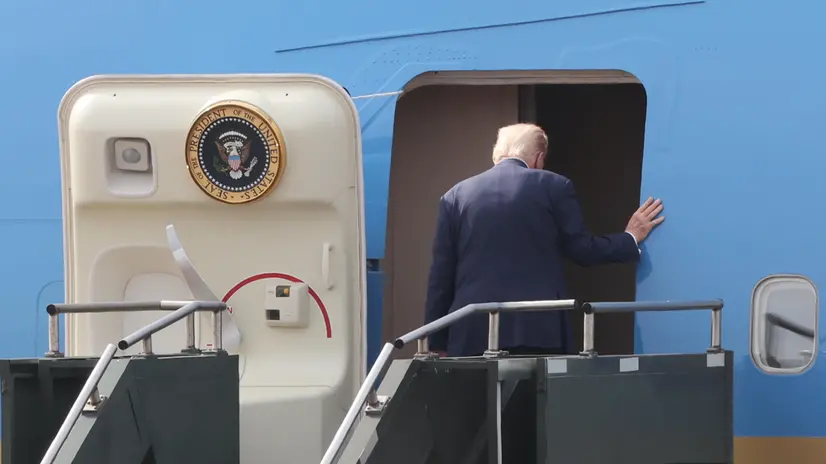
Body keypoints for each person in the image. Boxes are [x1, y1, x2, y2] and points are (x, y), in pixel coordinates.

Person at [423, 123, 664, 357]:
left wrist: (436, 340)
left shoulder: (454, 196)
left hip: (471, 329)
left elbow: (441, 276)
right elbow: (582, 250)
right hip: (538, 326)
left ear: (496, 155)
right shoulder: (554, 185)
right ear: (538, 158)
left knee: (478, 398)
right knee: (537, 396)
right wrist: (630, 237)